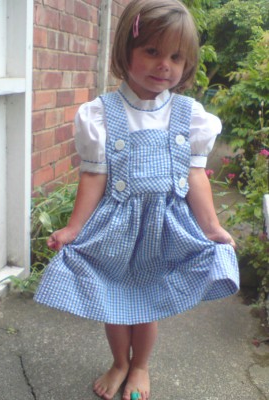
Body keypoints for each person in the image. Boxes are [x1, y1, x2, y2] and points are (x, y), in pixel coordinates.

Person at [34, 0, 239, 399]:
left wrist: (212, 228)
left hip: (165, 228)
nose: (165, 65)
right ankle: (119, 362)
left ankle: (141, 365)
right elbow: (94, 174)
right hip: (117, 228)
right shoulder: (100, 115)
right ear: (125, 51)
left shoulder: (189, 115)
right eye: (152, 51)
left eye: (176, 57)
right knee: (115, 300)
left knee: (146, 305)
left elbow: (195, 175)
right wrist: (74, 228)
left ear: (187, 64)